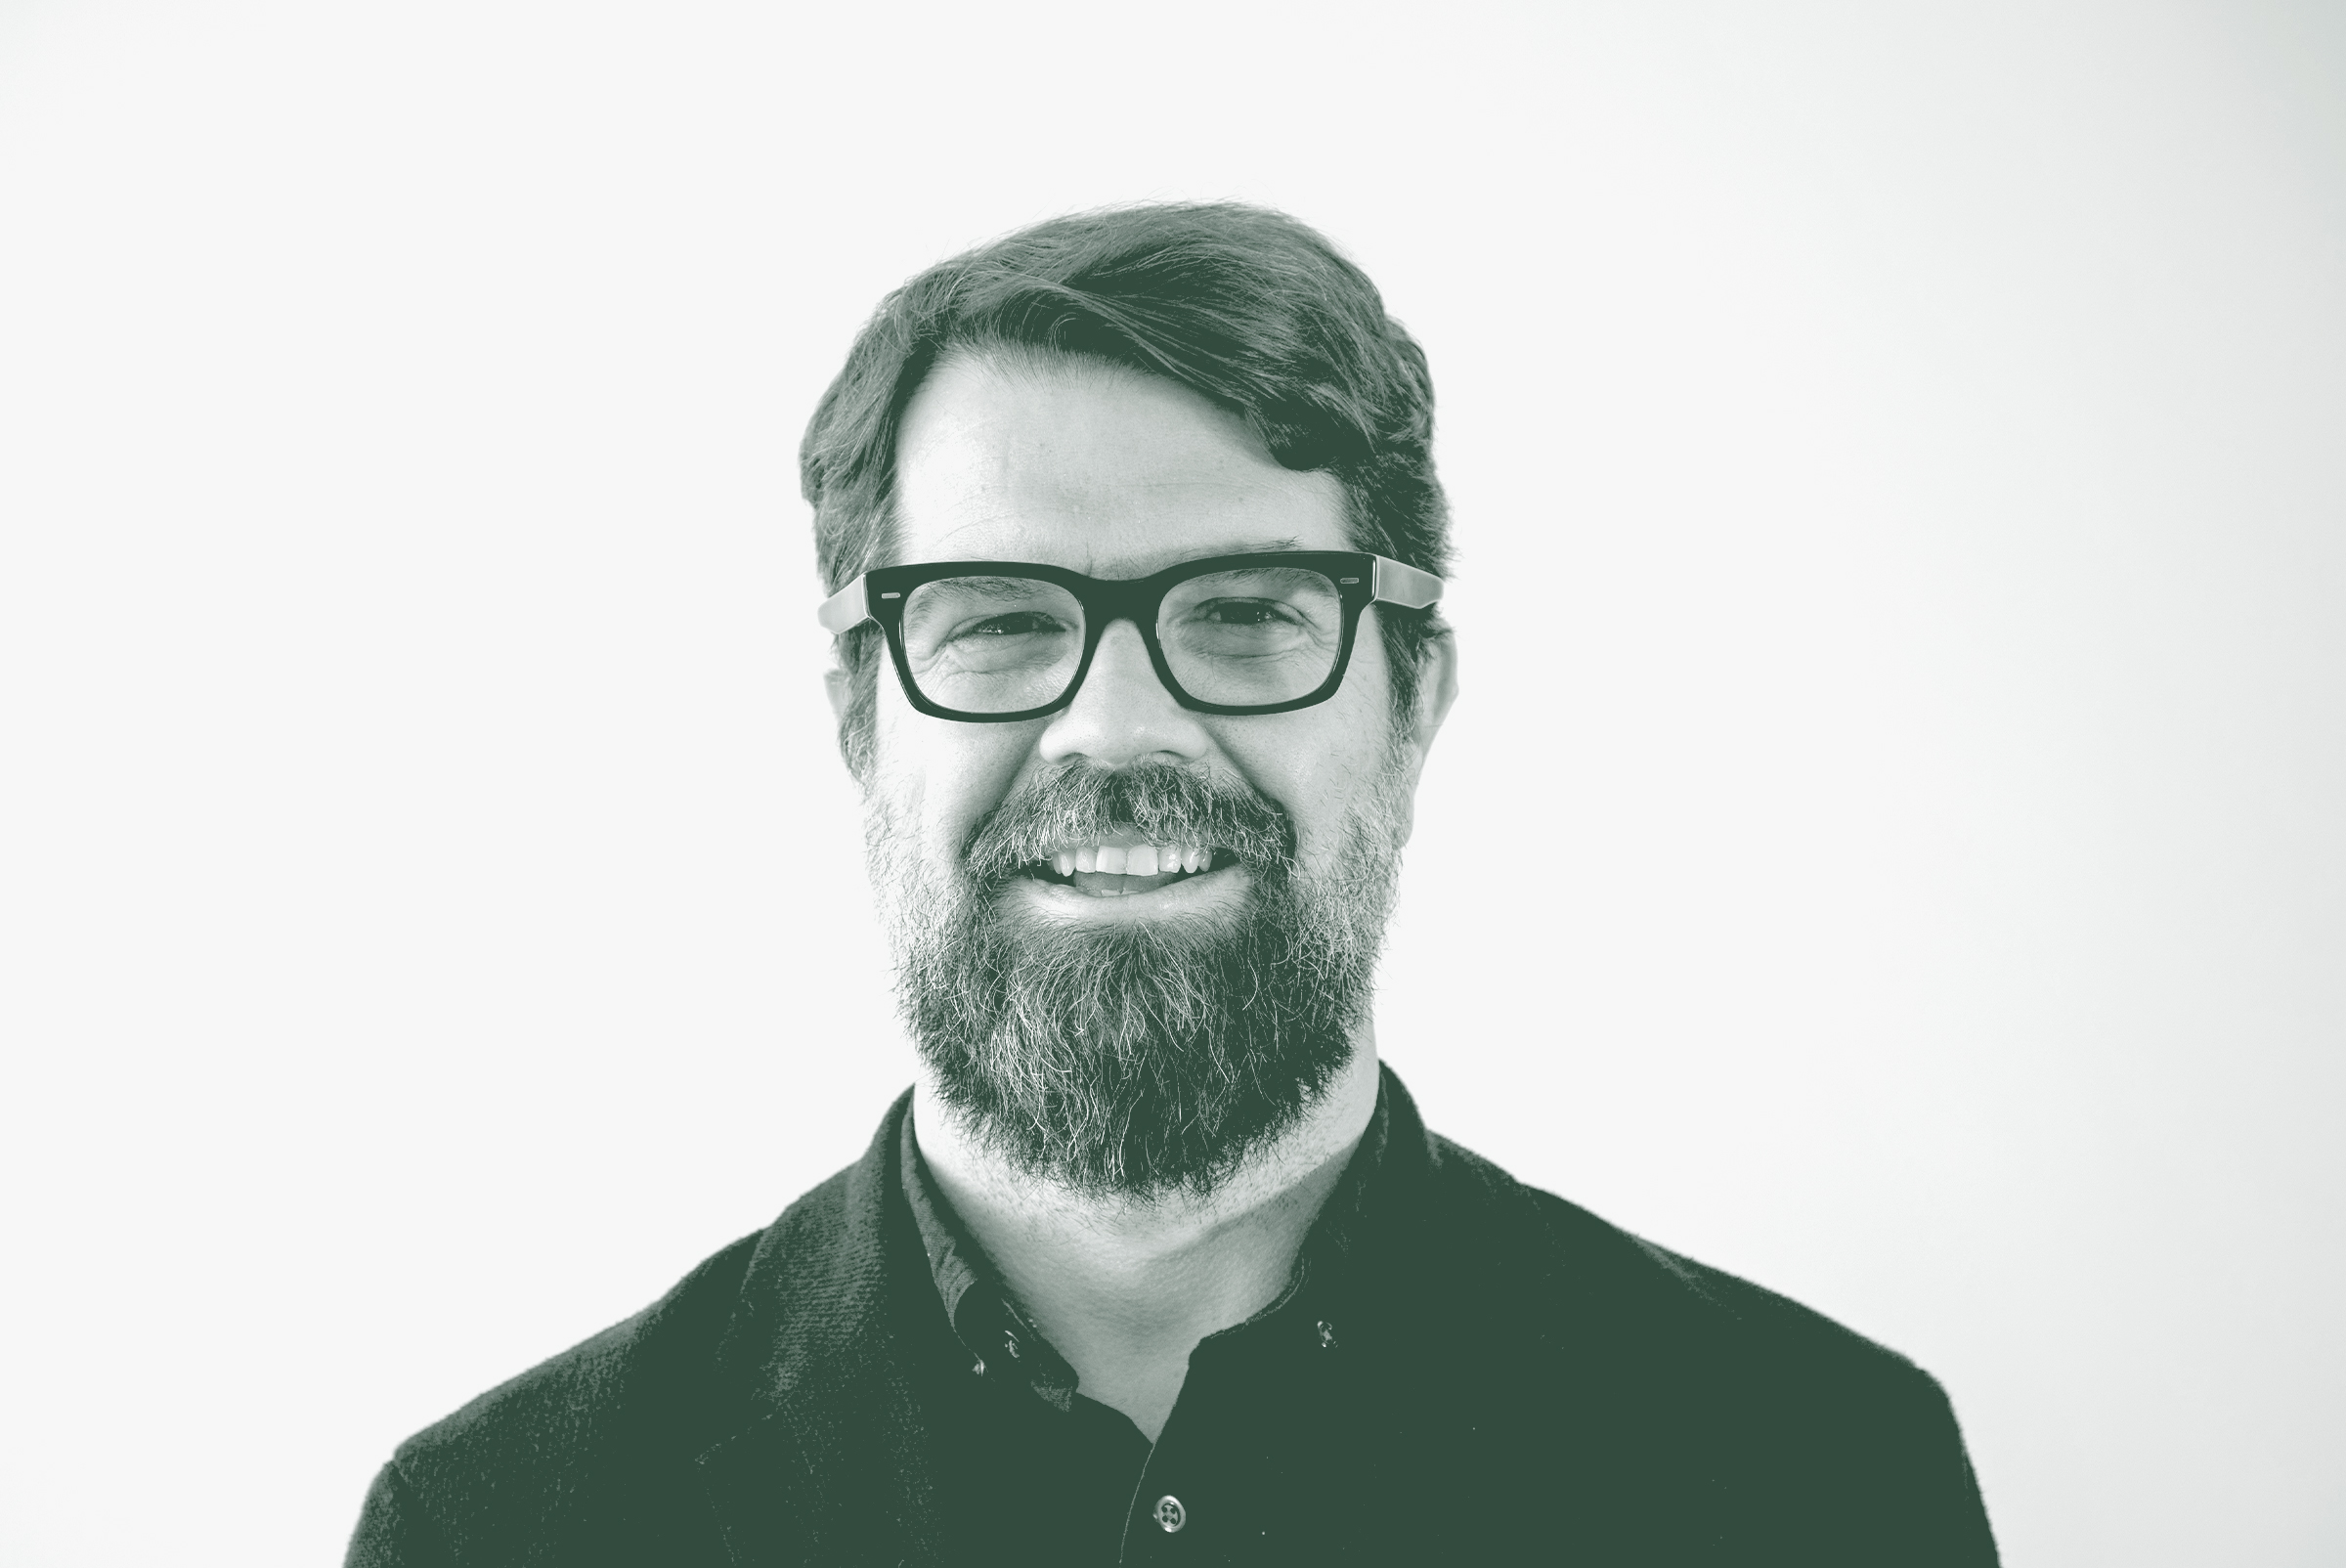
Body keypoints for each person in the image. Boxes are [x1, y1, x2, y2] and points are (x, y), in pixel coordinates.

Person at [346, 202, 1999, 1566]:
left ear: (1415, 700)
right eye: (997, 620)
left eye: (1249, 613)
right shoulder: (496, 1531)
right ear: (859, 714)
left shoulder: (1822, 1484)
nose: (1117, 726)